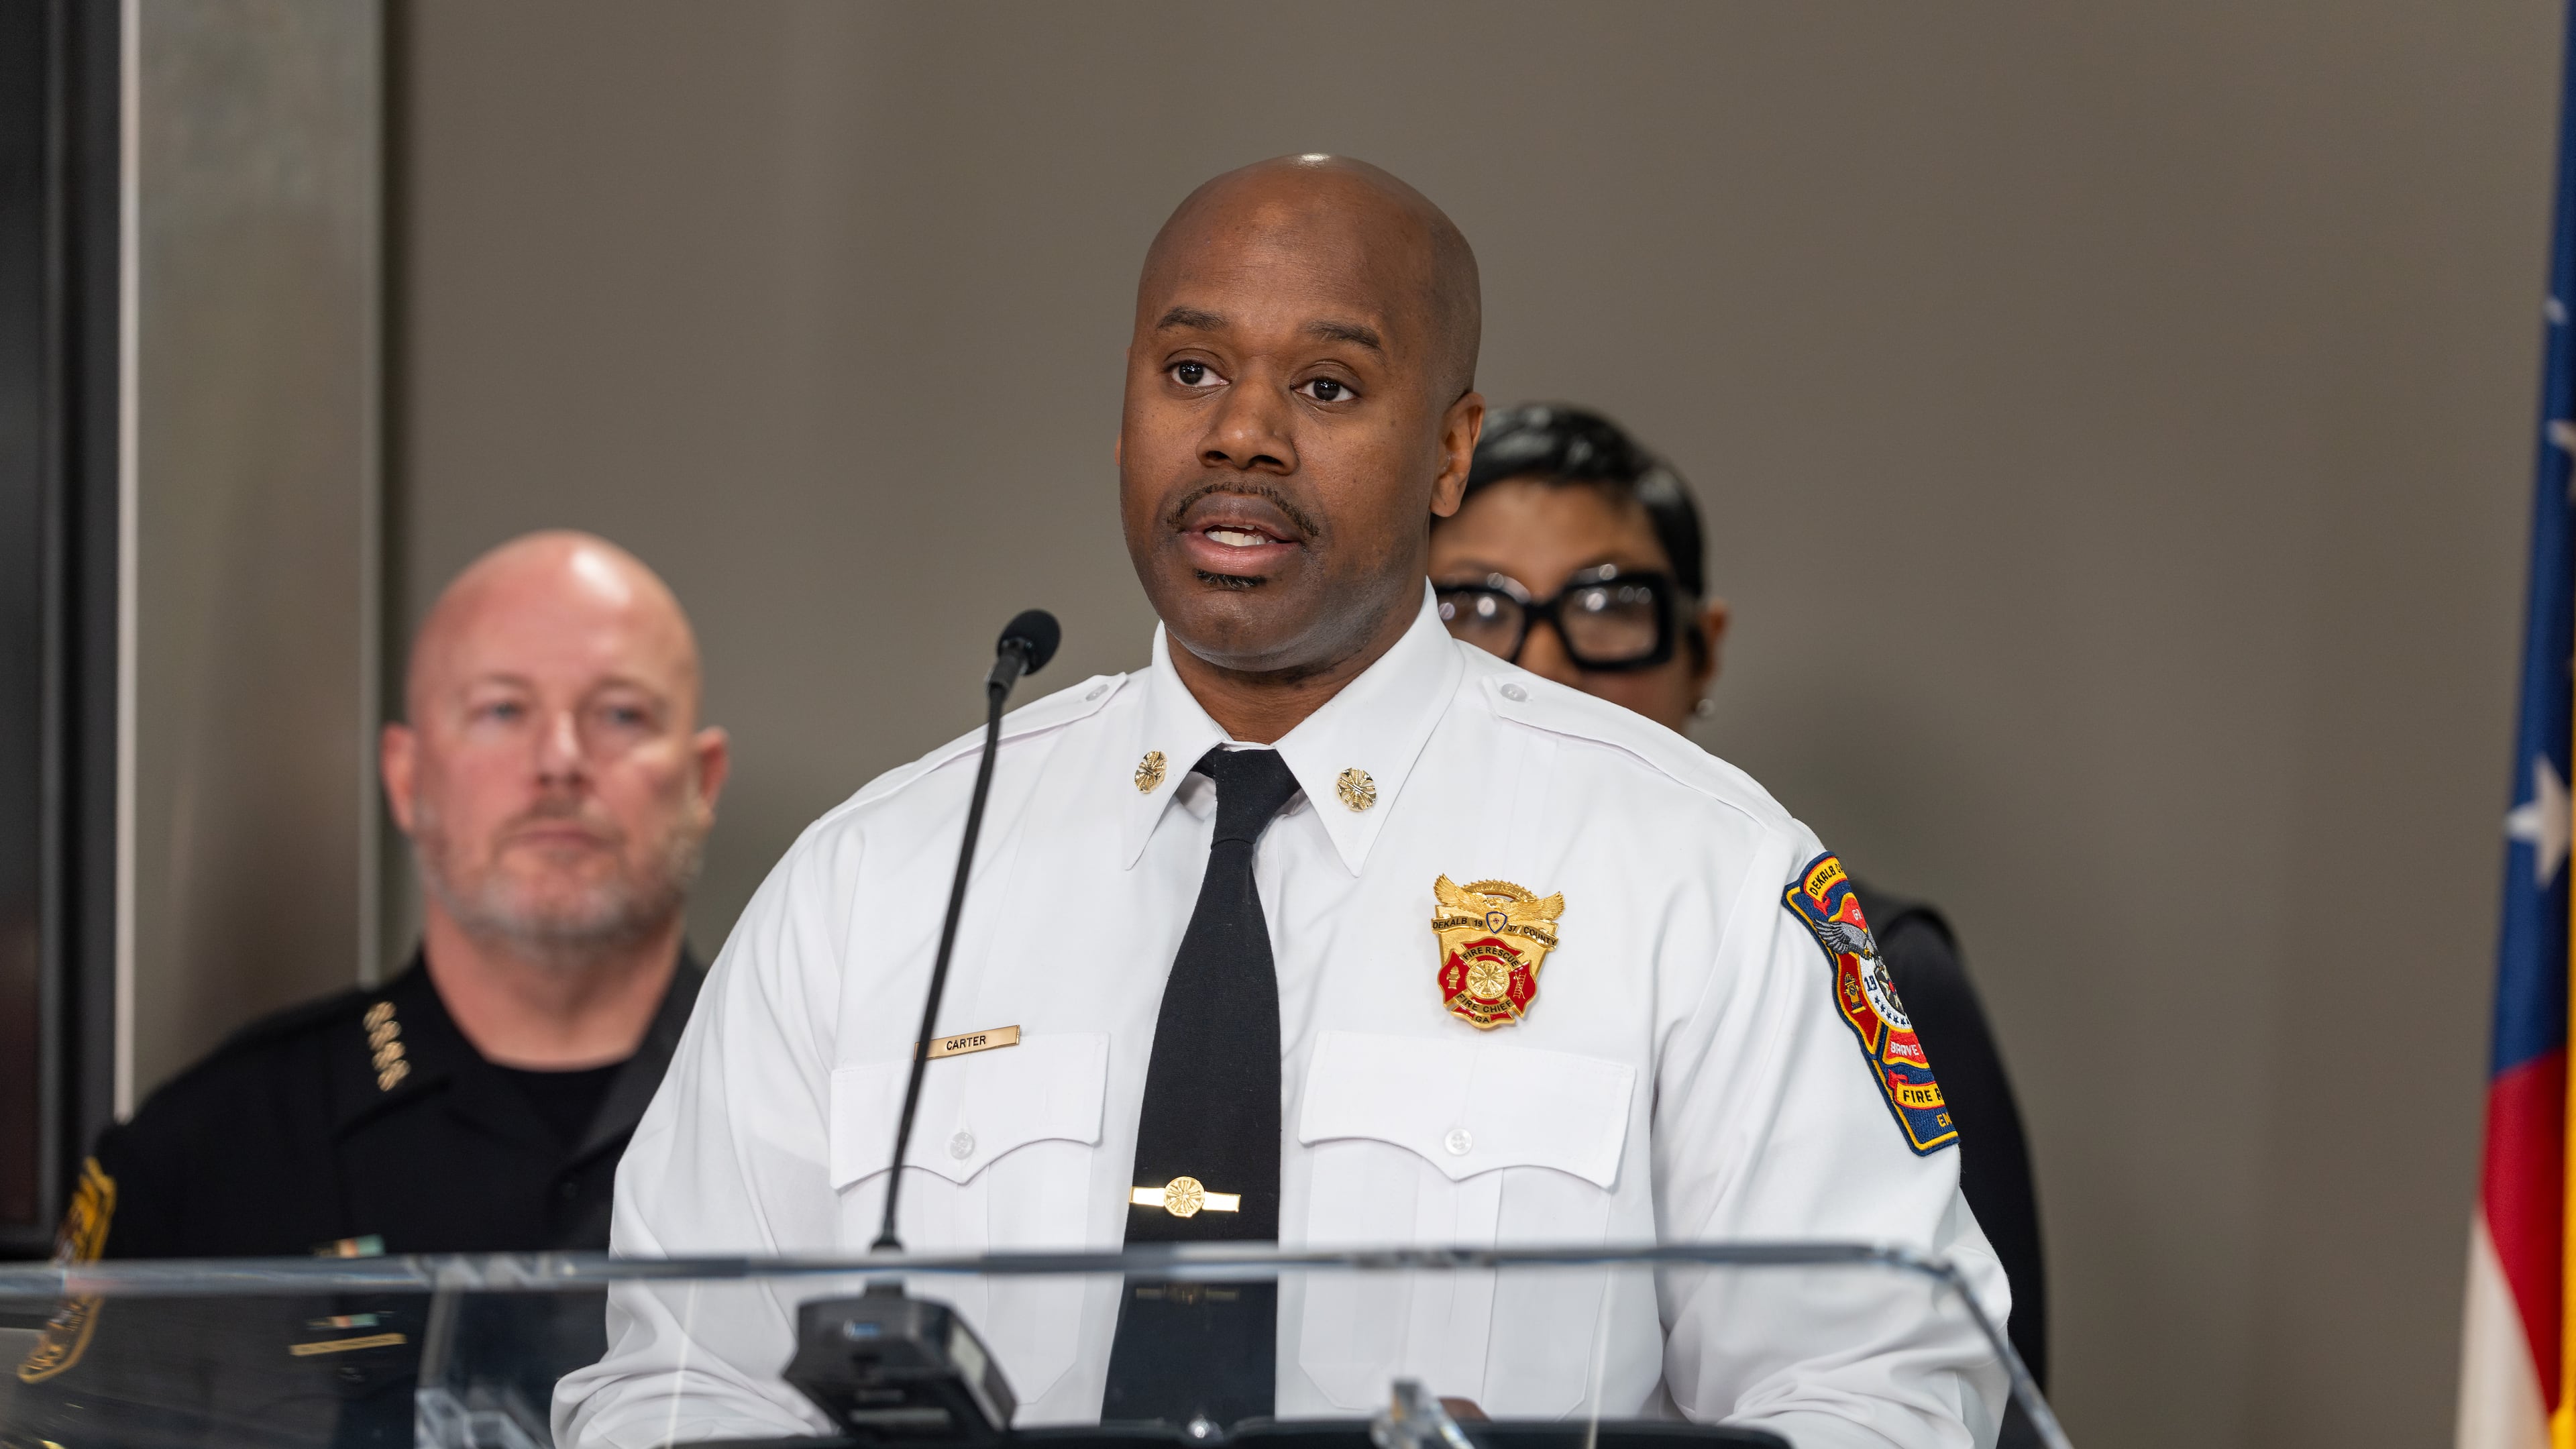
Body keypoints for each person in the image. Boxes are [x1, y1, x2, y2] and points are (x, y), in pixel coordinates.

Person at [554, 156, 2009, 1449]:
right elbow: (670, 1388)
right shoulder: (874, 884)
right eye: (1190, 372)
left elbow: (1890, 1387)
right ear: (1120, 416)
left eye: (1326, 386)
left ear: (1450, 452)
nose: (1242, 434)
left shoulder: (1697, 874)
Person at [8, 531, 729, 1448]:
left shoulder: (818, 1119)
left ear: (703, 780)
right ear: (406, 775)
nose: (560, 760)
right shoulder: (206, 1151)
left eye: (620, 714)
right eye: (503, 710)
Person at [1428, 400, 2048, 1401]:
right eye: (1473, 608)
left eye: (1605, 608)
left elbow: (1968, 1396)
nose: (1538, 665)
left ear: (1702, 650)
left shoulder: (1851, 957)